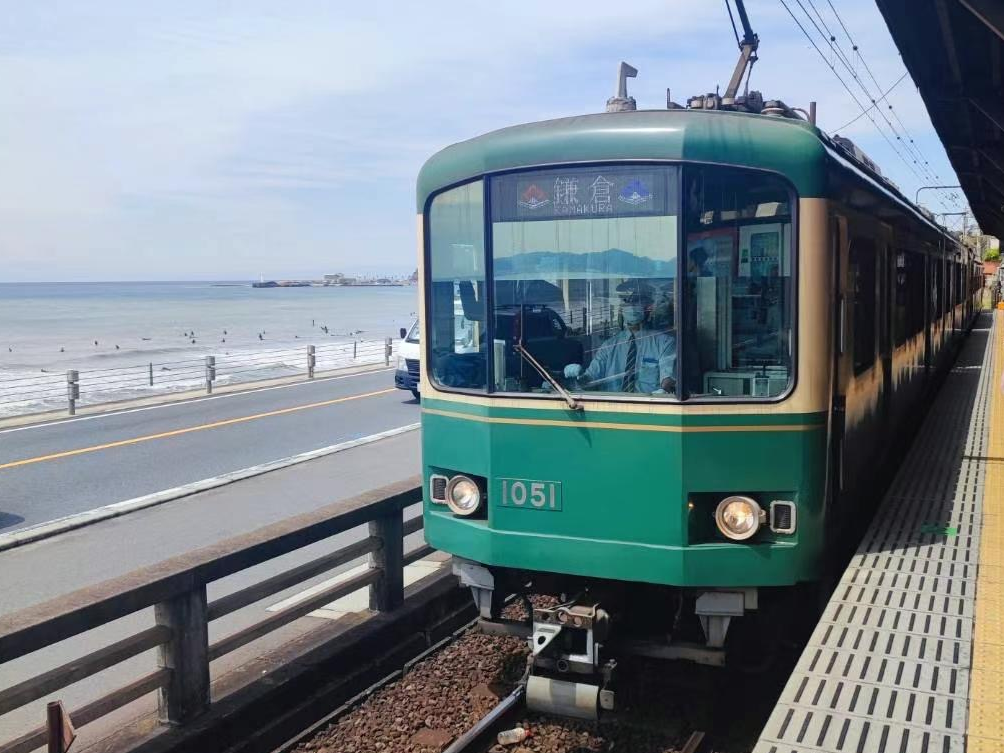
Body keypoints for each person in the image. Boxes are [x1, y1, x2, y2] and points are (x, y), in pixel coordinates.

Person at [563, 280, 676, 394]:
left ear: (648, 307)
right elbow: (590, 381)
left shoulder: (664, 343)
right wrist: (579, 377)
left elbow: (668, 378)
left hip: (648, 403)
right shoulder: (609, 345)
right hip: (612, 403)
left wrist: (663, 391)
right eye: (627, 302)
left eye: (637, 302)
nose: (631, 306)